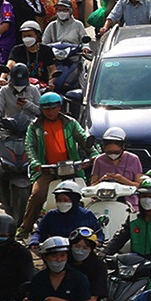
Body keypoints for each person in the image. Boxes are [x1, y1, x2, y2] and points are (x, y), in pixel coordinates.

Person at [20, 91, 93, 236]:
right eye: (46, 109)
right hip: (47, 170)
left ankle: (92, 226)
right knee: (38, 194)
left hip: (71, 168)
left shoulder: (70, 123)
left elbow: (84, 139)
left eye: (53, 108)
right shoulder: (35, 127)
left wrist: (94, 154)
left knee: (86, 194)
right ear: (41, 109)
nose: (50, 112)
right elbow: (29, 146)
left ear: (60, 107)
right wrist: (35, 162)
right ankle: (25, 228)